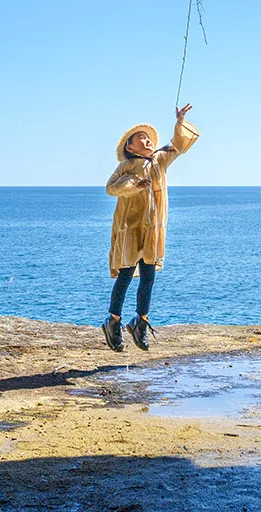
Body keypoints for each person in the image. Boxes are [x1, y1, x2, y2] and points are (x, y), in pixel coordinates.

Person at [101, 104, 198, 352]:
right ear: (129, 147)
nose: (146, 141)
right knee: (124, 276)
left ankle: (140, 322)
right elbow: (111, 188)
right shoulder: (126, 166)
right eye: (139, 138)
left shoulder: (159, 160)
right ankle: (113, 321)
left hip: (153, 230)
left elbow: (178, 145)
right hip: (130, 229)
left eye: (147, 138)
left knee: (148, 277)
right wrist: (134, 182)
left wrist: (179, 122)